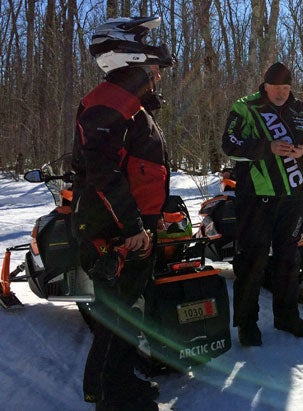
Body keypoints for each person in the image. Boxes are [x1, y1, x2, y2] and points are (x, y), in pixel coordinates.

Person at [71, 16, 175, 411]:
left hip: (133, 226)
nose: (157, 76)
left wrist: (155, 216)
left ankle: (123, 384)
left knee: (130, 313)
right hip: (112, 227)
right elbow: (103, 174)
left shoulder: (131, 106)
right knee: (115, 318)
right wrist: (132, 226)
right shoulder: (106, 103)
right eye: (152, 69)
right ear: (126, 56)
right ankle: (107, 397)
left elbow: (141, 171)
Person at [221, 62, 303, 346]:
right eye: (276, 87)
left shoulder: (302, 110)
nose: (281, 92)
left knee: (289, 260)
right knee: (252, 261)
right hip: (255, 197)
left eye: (286, 87)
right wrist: (265, 148)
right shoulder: (245, 107)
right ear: (264, 85)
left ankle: (287, 316)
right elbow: (229, 144)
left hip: (291, 197)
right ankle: (246, 323)